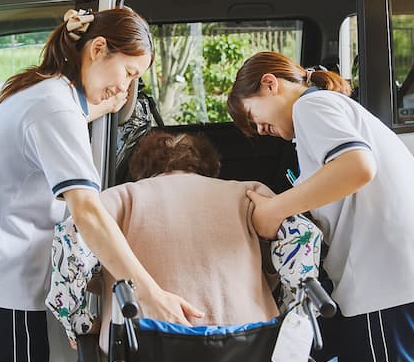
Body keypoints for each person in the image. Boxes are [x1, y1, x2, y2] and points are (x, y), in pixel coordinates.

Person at [0, 8, 203, 362]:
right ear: (97, 49)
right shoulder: (54, 108)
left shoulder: (43, 88)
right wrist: (151, 293)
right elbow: (89, 214)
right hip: (0, 287)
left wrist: (105, 104)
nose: (126, 90)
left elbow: (69, 118)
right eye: (129, 74)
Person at [227, 51, 414, 362]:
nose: (260, 129)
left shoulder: (311, 106)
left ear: (270, 84)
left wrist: (275, 209)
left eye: (252, 116)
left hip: (385, 289)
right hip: (392, 286)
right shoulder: (324, 115)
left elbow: (358, 167)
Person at [96, 130, 280, 350]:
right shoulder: (250, 193)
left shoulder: (116, 199)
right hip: (250, 341)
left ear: (141, 167)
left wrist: (80, 322)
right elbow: (300, 240)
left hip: (145, 346)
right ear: (209, 164)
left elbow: (70, 246)